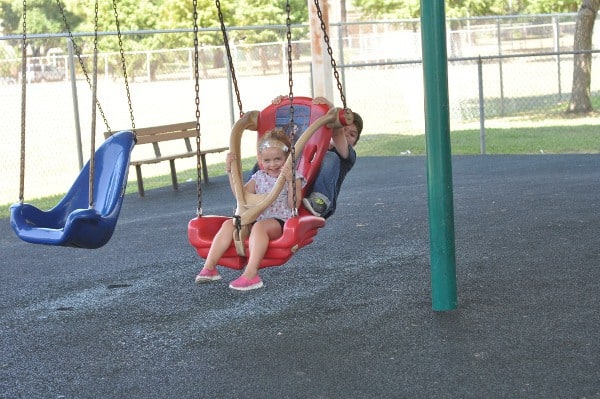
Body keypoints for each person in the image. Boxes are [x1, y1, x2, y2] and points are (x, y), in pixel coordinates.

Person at [195, 129, 305, 291]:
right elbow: (240, 195)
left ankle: (251, 274)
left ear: (287, 158)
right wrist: (230, 172)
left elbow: (293, 205)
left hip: (280, 221)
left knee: (260, 227)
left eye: (278, 159)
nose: (272, 164)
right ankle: (209, 267)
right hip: (256, 218)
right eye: (267, 160)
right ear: (260, 160)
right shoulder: (258, 177)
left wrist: (289, 180)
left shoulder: (294, 177)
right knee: (229, 224)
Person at [302, 97, 363, 219]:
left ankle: (319, 201)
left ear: (355, 143)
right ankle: (253, 192)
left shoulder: (347, 156)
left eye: (352, 134)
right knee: (274, 155)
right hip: (300, 191)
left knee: (330, 157)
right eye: (344, 129)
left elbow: (337, 133)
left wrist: (330, 107)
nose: (346, 134)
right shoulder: (318, 143)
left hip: (322, 203)